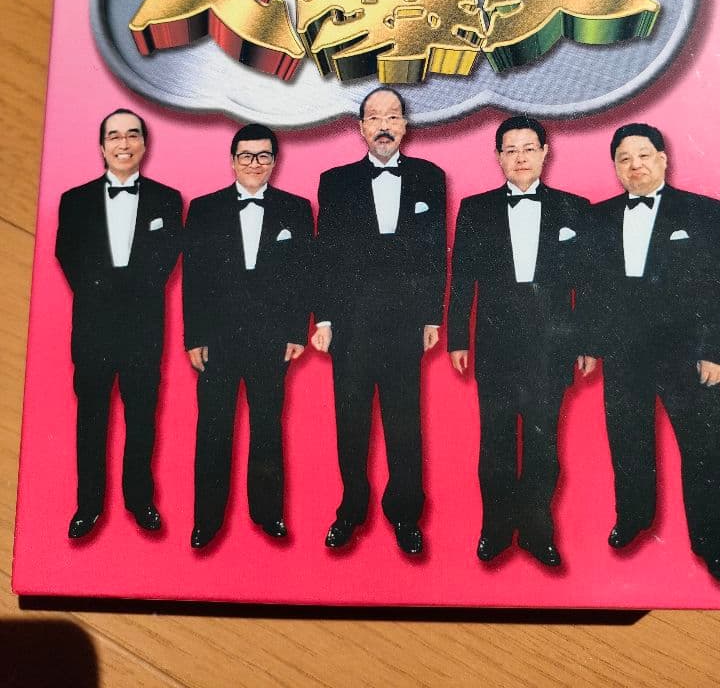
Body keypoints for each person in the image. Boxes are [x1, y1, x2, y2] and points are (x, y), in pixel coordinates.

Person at [589, 122, 720, 586]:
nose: (634, 166)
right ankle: (633, 518)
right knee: (628, 443)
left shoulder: (703, 211)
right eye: (624, 159)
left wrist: (716, 350)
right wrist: (590, 345)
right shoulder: (598, 216)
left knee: (703, 451)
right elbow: (591, 290)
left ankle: (713, 547)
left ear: (663, 158)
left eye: (643, 156)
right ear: (615, 168)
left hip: (688, 354)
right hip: (623, 352)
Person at [447, 115, 594, 567]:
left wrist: (588, 342)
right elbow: (461, 280)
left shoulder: (575, 208)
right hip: (495, 343)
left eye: (529, 148)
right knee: (495, 442)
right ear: (498, 157)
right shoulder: (475, 209)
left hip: (553, 345)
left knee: (543, 444)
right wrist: (457, 339)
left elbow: (589, 284)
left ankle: (537, 533)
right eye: (510, 150)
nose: (520, 158)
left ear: (546, 152)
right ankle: (494, 531)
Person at [311, 88, 446, 556]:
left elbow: (435, 253)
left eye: (392, 116)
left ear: (405, 124)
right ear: (362, 128)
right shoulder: (335, 181)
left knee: (405, 423)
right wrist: (324, 319)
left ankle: (406, 515)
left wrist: (432, 316)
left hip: (406, 322)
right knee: (351, 424)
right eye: (374, 117)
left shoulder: (430, 177)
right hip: (351, 324)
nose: (384, 125)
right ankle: (351, 510)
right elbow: (326, 255)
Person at [184, 123, 313, 549]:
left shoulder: (296, 209)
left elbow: (303, 276)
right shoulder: (203, 209)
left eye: (263, 156)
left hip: (271, 339)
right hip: (217, 340)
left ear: (274, 161)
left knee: (267, 428)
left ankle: (268, 514)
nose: (254, 164)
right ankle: (206, 521)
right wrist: (194, 336)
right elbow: (194, 278)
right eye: (246, 156)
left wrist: (297, 331)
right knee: (213, 431)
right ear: (232, 161)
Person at [56, 108, 182, 540]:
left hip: (144, 328)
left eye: (132, 135)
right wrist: (101, 293)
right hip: (92, 327)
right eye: (114, 136)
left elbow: (166, 259)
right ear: (101, 146)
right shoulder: (74, 200)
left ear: (144, 144)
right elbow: (66, 254)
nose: (123, 143)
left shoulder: (169, 200)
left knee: (142, 418)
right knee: (91, 418)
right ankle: (88, 505)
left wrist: (128, 294)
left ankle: (140, 500)